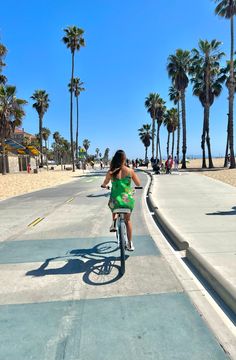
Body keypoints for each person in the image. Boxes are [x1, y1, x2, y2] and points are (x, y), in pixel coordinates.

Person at [101, 150, 141, 251]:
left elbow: (105, 183)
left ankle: (114, 221)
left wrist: (104, 185)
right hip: (127, 201)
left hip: (116, 202)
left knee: (114, 204)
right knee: (128, 221)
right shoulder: (130, 171)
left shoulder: (111, 172)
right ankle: (130, 243)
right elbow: (138, 184)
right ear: (124, 159)